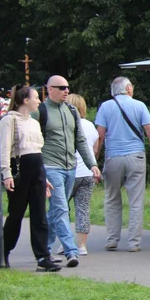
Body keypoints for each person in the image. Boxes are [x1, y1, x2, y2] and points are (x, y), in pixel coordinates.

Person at [95, 77, 150, 253]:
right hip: (136, 156)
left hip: (113, 157)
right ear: (129, 88)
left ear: (113, 91)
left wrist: (94, 161)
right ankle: (134, 242)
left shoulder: (105, 107)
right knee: (136, 200)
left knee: (111, 198)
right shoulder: (140, 106)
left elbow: (100, 136)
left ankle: (112, 240)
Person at [40, 76, 100, 268]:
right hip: (51, 167)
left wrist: (92, 164)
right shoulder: (40, 112)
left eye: (67, 87)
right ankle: (71, 251)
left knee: (55, 210)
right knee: (61, 208)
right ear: (50, 89)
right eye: (61, 87)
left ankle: (45, 251)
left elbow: (80, 140)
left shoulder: (71, 111)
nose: (66, 90)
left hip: (70, 168)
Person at [0, 86, 58, 271]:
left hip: (37, 168)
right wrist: (6, 173)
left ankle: (42, 257)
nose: (39, 101)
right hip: (19, 168)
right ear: (25, 100)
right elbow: (4, 149)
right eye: (35, 97)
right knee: (16, 214)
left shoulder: (33, 122)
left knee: (40, 214)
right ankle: (3, 252)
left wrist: (43, 176)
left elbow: (37, 149)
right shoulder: (9, 121)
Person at [67, 94, 100, 256]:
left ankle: (65, 243)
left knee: (61, 209)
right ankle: (82, 245)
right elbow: (94, 149)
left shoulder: (66, 124)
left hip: (69, 172)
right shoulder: (90, 126)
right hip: (87, 173)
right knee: (83, 209)